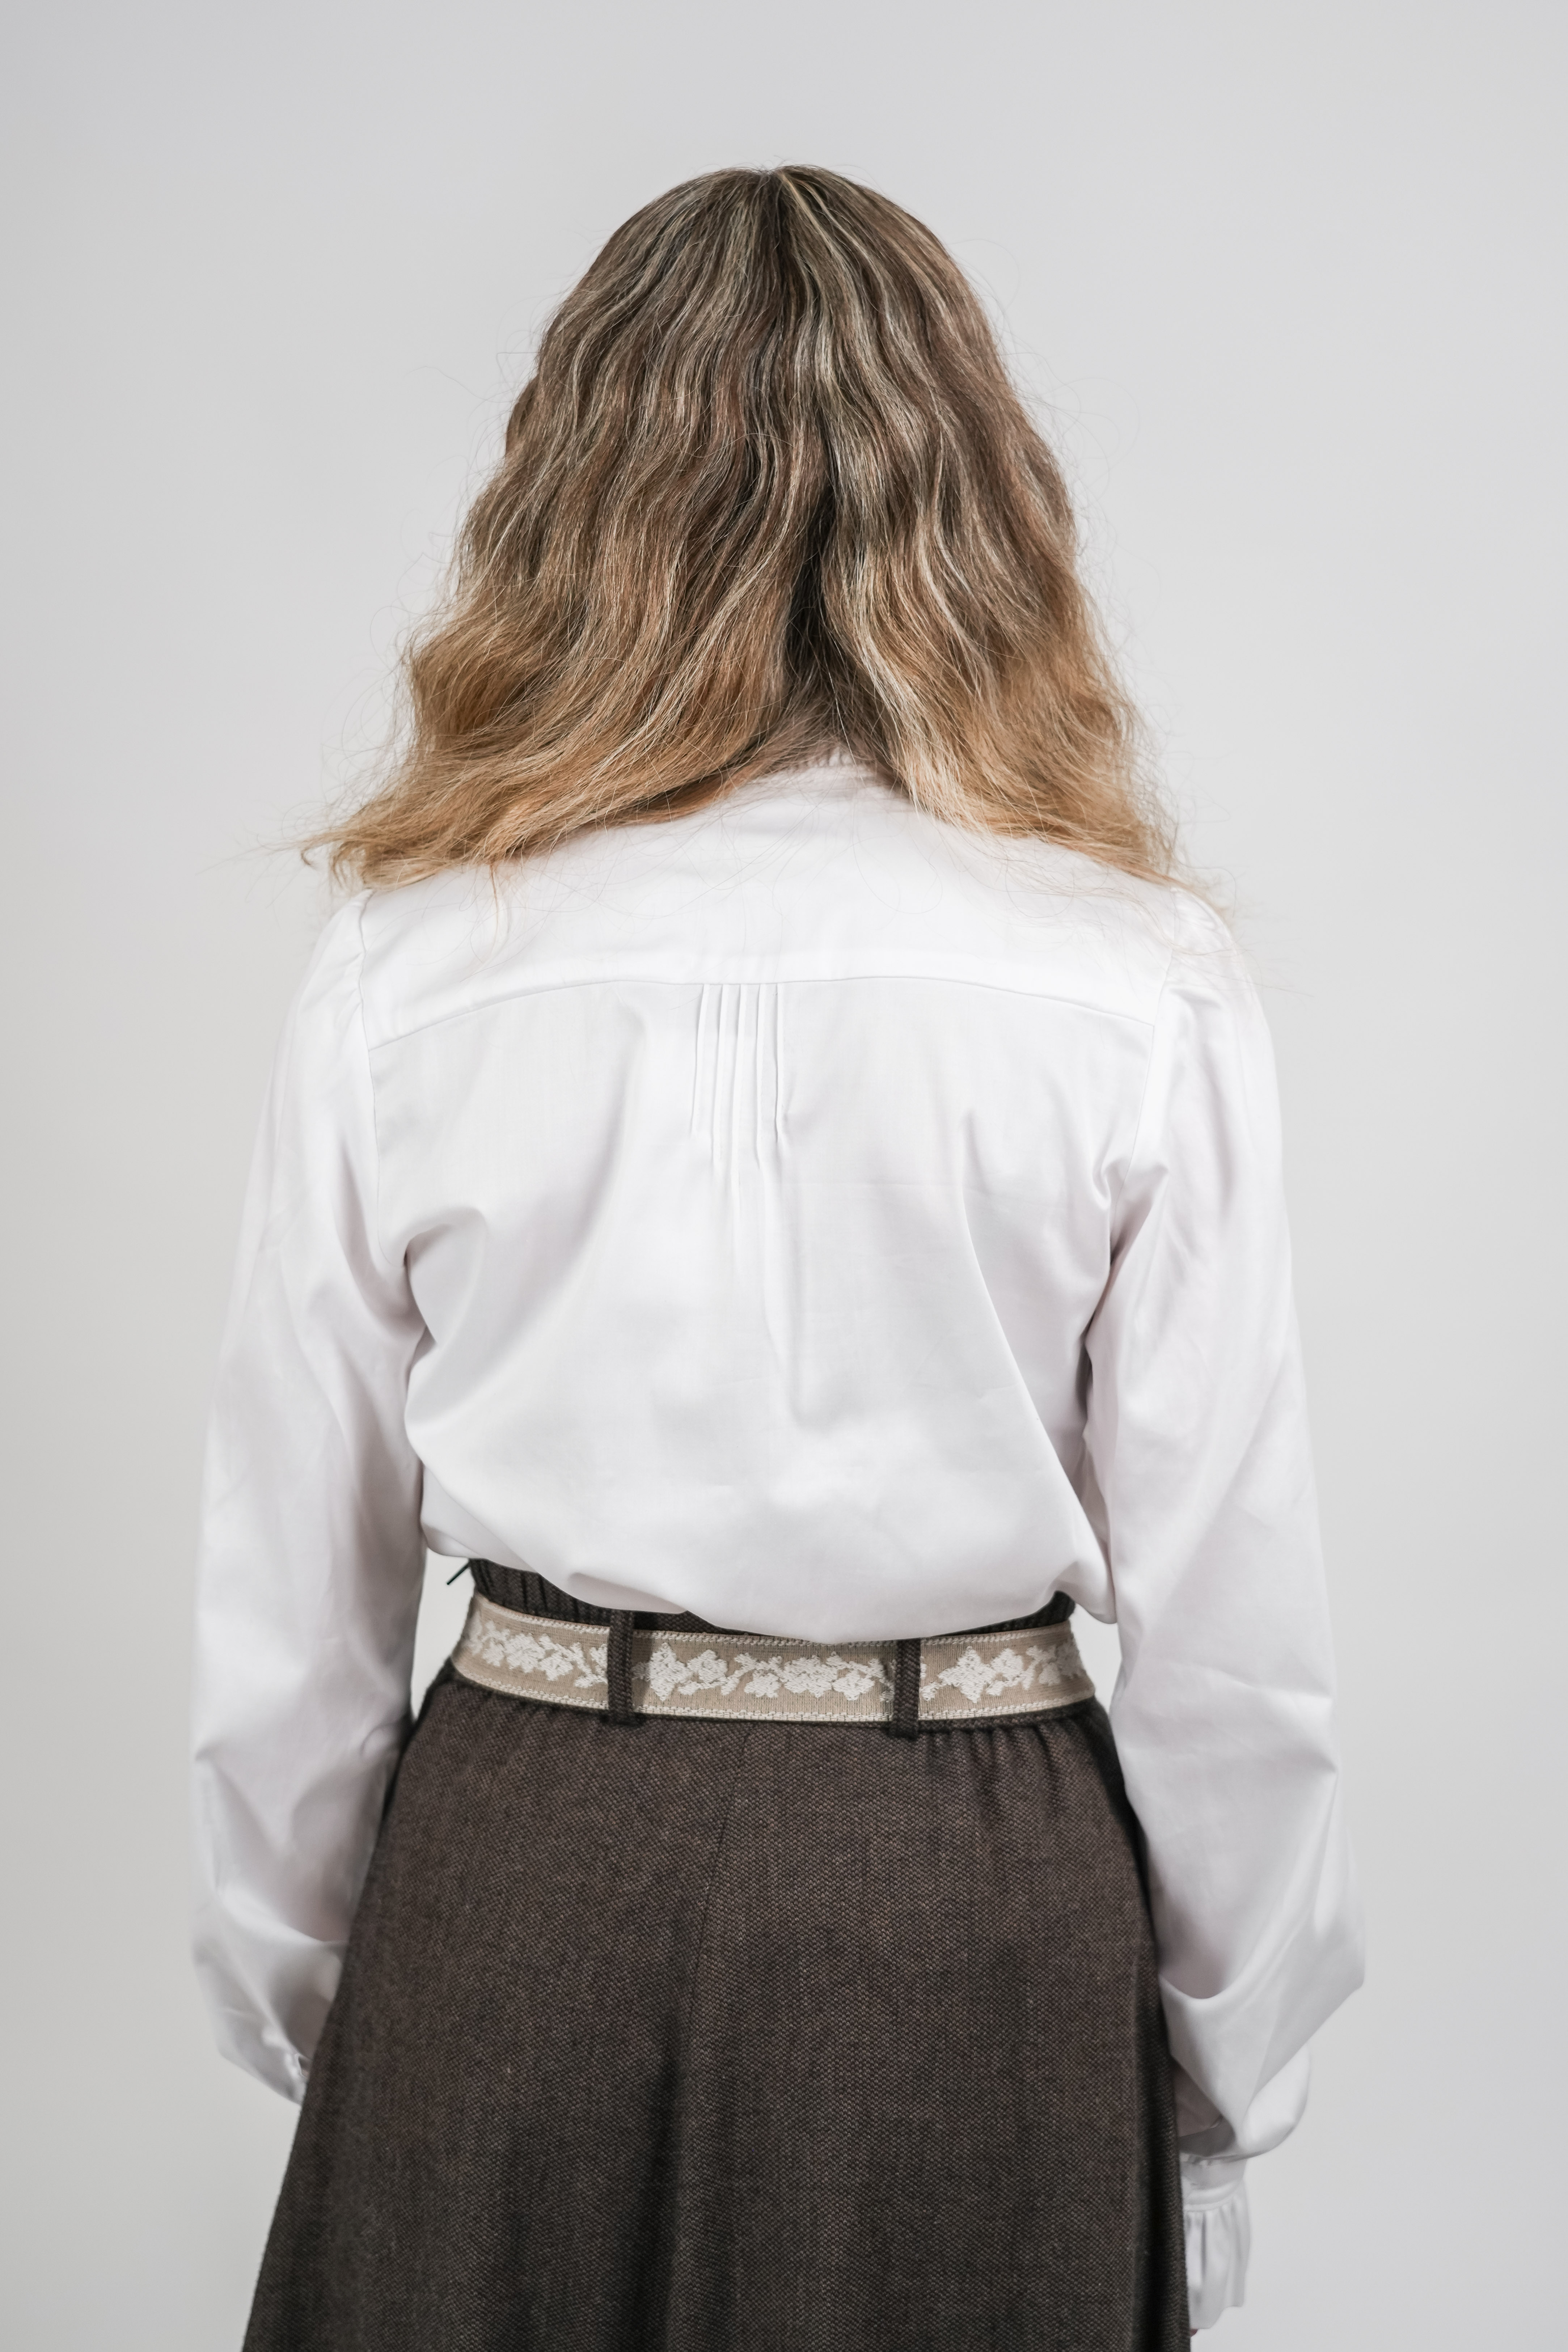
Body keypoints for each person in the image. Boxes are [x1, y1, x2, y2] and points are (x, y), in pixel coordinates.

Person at [192, 165, 1362, 2350]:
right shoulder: (1134, 972)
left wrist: (331, 1985)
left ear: (574, 493)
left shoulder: (410, 964)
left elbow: (295, 1570)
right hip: (971, 1894)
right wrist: (1222, 2080)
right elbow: (1233, 1623)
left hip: (519, 1868)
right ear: (976, 496)